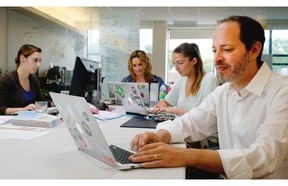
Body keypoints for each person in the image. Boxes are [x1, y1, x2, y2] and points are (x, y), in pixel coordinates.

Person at [129, 15, 288, 179]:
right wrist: (160, 135)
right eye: (214, 50)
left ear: (254, 50)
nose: (217, 58)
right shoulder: (224, 92)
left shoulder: (283, 91)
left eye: (227, 49)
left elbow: (264, 157)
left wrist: (185, 155)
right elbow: (193, 121)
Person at [152, 43, 217, 116]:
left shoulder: (209, 79)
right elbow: (166, 101)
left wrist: (174, 110)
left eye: (180, 63)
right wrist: (158, 107)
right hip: (180, 125)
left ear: (194, 61)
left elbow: (205, 115)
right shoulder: (181, 81)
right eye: (174, 63)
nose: (176, 68)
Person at [0, 44, 46, 115]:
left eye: (40, 61)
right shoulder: (6, 79)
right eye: (35, 60)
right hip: (11, 123)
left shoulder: (33, 79)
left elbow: (40, 102)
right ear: (22, 59)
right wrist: (23, 110)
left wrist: (53, 103)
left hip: (31, 121)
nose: (38, 64)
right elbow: (1, 109)